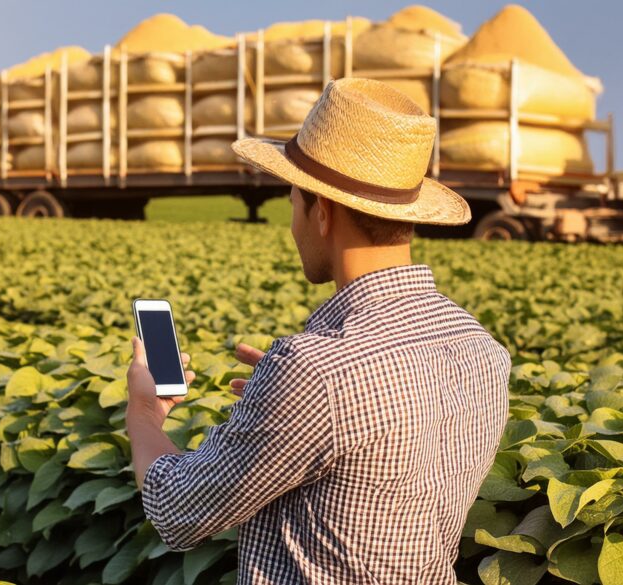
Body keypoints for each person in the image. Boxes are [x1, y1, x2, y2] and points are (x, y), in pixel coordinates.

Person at [125, 78, 512, 584]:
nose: (292, 225)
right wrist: (297, 406)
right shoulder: (481, 349)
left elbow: (179, 511)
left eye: (293, 203)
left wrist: (144, 415)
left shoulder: (316, 373)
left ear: (323, 212)